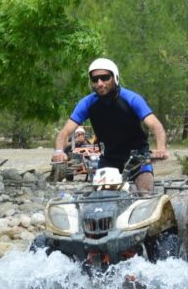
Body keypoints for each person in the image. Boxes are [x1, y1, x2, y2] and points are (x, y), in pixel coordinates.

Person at [52, 58, 169, 193]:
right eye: (95, 80)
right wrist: (59, 151)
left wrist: (161, 149)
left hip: (138, 157)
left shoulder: (131, 98)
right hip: (109, 158)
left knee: (145, 193)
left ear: (115, 77)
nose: (100, 83)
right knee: (101, 198)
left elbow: (155, 125)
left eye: (105, 78)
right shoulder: (87, 103)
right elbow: (65, 131)